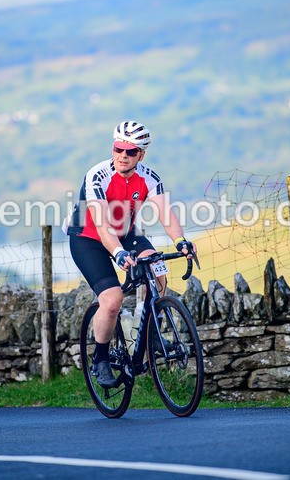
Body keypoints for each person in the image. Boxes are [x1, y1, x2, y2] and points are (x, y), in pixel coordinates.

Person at [63, 121, 196, 388]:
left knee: (157, 268)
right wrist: (119, 253)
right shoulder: (97, 175)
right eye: (118, 148)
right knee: (112, 300)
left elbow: (165, 214)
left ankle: (152, 330)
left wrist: (181, 241)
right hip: (87, 237)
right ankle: (100, 359)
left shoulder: (150, 178)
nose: (123, 155)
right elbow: (101, 225)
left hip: (124, 231)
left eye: (130, 151)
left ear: (141, 154)